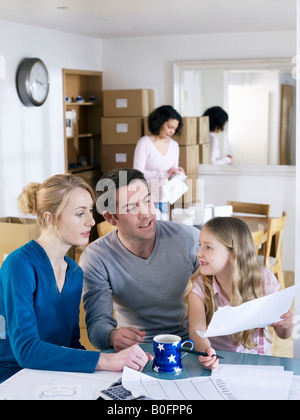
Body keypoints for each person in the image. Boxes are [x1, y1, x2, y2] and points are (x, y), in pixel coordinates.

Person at [0, 174, 152, 383]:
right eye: (80, 213)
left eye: (90, 211)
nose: (91, 221)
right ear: (49, 218)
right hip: (14, 377)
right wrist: (107, 361)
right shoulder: (19, 265)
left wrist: (121, 366)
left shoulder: (74, 272)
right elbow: (26, 350)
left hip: (53, 375)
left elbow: (71, 345)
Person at [80, 168, 199, 352]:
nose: (145, 214)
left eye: (147, 201)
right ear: (110, 218)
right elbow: (97, 324)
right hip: (137, 351)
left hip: (193, 344)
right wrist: (112, 336)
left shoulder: (189, 239)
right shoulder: (96, 257)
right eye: (131, 207)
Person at [184, 217, 293, 370]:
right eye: (200, 245)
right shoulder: (199, 286)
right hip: (219, 362)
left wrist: (287, 324)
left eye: (208, 247)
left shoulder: (264, 280)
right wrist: (207, 353)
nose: (198, 253)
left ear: (234, 253)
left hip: (258, 364)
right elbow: (197, 330)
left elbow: (283, 334)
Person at [133, 105, 184, 218]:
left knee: (163, 230)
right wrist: (165, 173)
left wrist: (177, 172)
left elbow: (172, 172)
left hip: (164, 198)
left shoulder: (174, 146)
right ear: (159, 122)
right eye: (169, 127)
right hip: (145, 198)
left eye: (175, 128)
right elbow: (137, 174)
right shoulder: (144, 143)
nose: (172, 131)